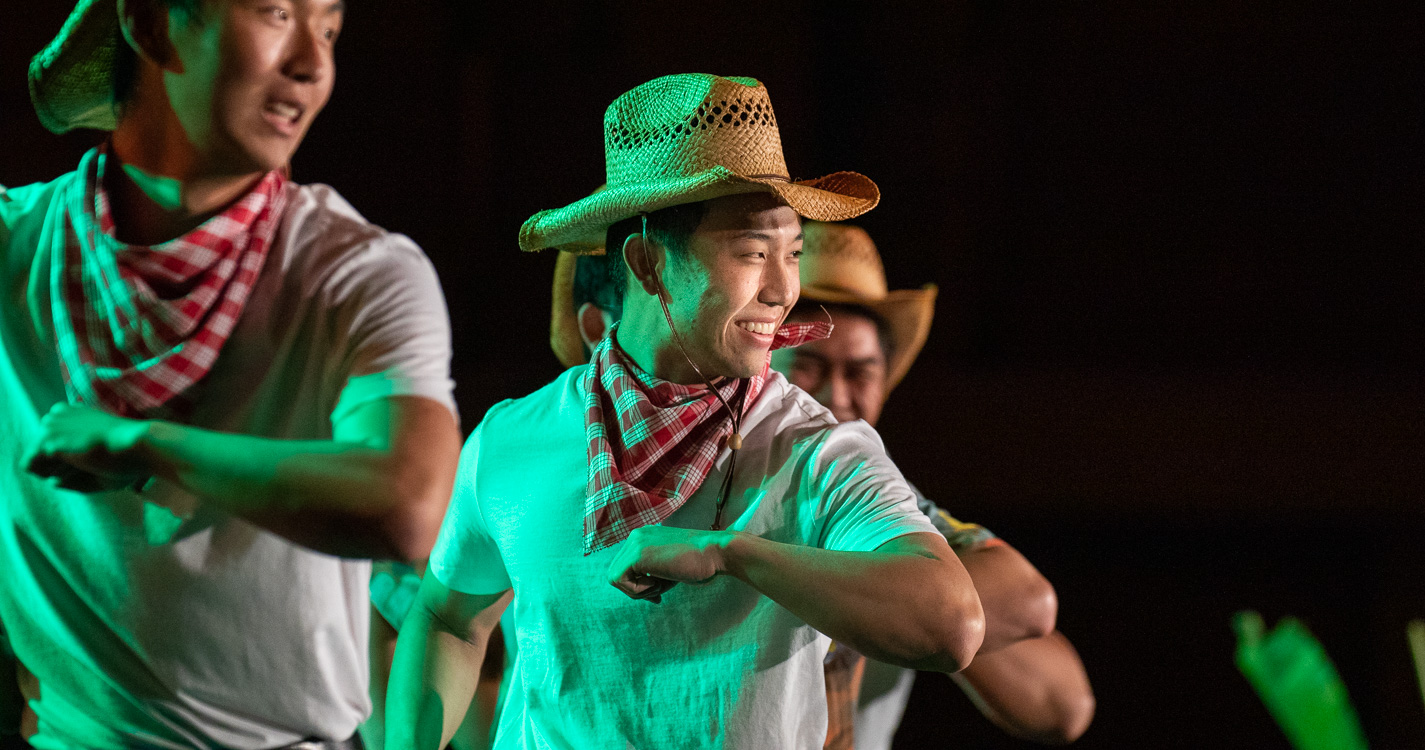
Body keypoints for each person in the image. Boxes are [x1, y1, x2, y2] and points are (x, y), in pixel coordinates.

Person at [385, 73, 984, 750]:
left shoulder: (816, 448)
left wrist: (730, 553)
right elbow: (447, 617)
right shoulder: (515, 437)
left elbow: (951, 627)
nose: (784, 289)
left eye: (791, 253)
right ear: (647, 263)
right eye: (754, 254)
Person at [0, 0, 461, 746]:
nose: (313, 64)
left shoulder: (357, 272)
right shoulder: (17, 247)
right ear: (150, 23)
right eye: (277, 13)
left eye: (331, 29)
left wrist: (143, 445)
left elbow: (405, 503)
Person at [773, 221, 1096, 747]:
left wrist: (922, 612)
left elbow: (1063, 706)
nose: (837, 395)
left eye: (861, 373)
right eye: (808, 367)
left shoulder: (889, 510)